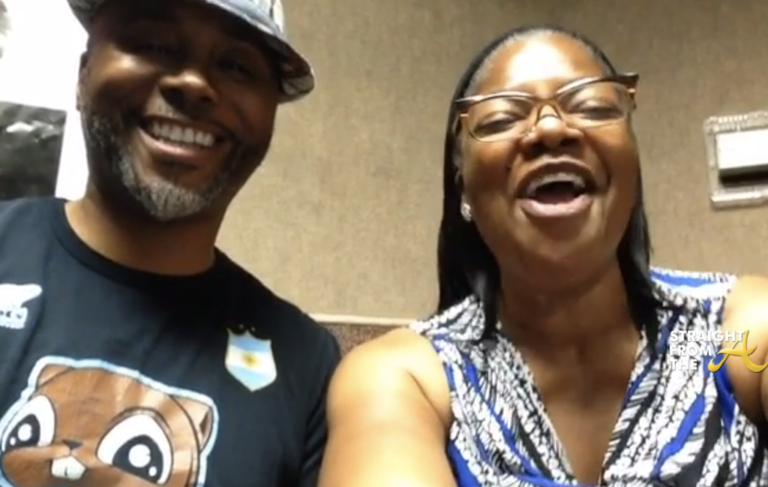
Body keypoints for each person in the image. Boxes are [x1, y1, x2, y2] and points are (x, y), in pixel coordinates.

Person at [319, 25, 768, 487]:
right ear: (464, 192)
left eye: (592, 107)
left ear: (631, 164)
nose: (551, 129)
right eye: (500, 119)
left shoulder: (726, 338)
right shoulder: (407, 378)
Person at [0, 0, 340, 485]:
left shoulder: (308, 369)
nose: (195, 83)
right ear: (83, 73)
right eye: (153, 44)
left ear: (270, 115)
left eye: (237, 65)